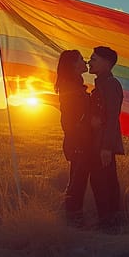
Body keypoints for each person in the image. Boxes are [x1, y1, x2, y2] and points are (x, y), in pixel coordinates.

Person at [87, 46, 124, 230]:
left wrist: (106, 147)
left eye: (93, 59)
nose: (89, 62)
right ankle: (108, 222)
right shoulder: (101, 84)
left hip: (102, 145)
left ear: (106, 63)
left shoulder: (110, 84)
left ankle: (108, 225)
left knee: (104, 184)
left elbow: (112, 118)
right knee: (101, 182)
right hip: (98, 143)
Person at [55, 49, 90, 227]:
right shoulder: (70, 87)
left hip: (79, 140)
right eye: (81, 60)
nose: (85, 62)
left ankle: (73, 217)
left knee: (78, 179)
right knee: (77, 181)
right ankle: (73, 219)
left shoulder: (75, 85)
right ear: (73, 66)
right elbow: (68, 119)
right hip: (78, 142)